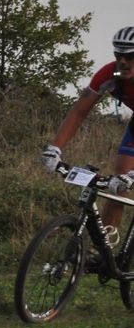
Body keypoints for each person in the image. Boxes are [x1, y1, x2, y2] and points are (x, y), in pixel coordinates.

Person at [42, 26, 134, 238]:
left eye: (130, 56)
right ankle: (107, 242)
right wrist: (54, 149)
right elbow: (78, 112)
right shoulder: (110, 74)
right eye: (119, 55)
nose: (123, 62)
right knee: (118, 182)